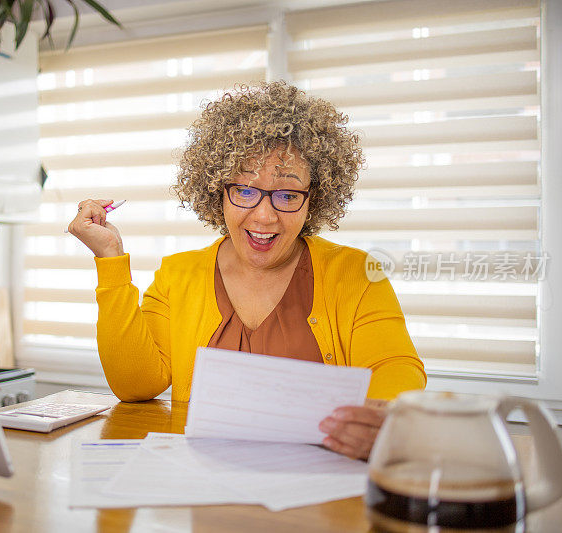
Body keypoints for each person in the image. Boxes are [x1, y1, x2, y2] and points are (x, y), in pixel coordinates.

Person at [68, 81, 426, 460]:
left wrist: (382, 420)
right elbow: (135, 385)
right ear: (216, 190)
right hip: (210, 494)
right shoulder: (178, 274)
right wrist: (110, 262)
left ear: (313, 199)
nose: (265, 215)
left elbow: (396, 368)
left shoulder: (356, 273)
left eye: (287, 195)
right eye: (244, 190)